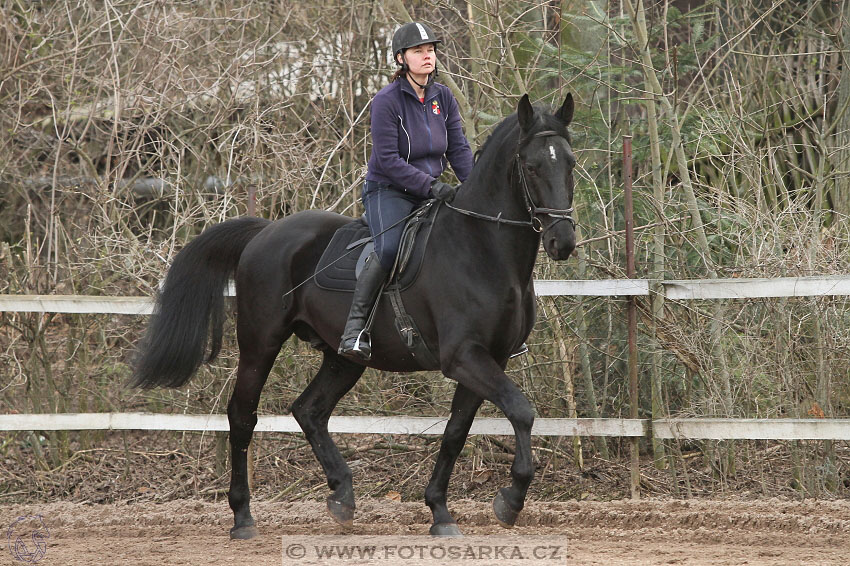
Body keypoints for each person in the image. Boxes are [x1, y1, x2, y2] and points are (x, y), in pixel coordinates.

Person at [338, 21, 474, 360]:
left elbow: (458, 150)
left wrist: (473, 189)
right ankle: (355, 331)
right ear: (402, 58)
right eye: (419, 51)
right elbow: (387, 160)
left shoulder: (444, 97)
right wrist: (431, 186)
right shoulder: (386, 101)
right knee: (390, 249)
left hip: (431, 191)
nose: (427, 56)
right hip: (389, 190)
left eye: (430, 50)